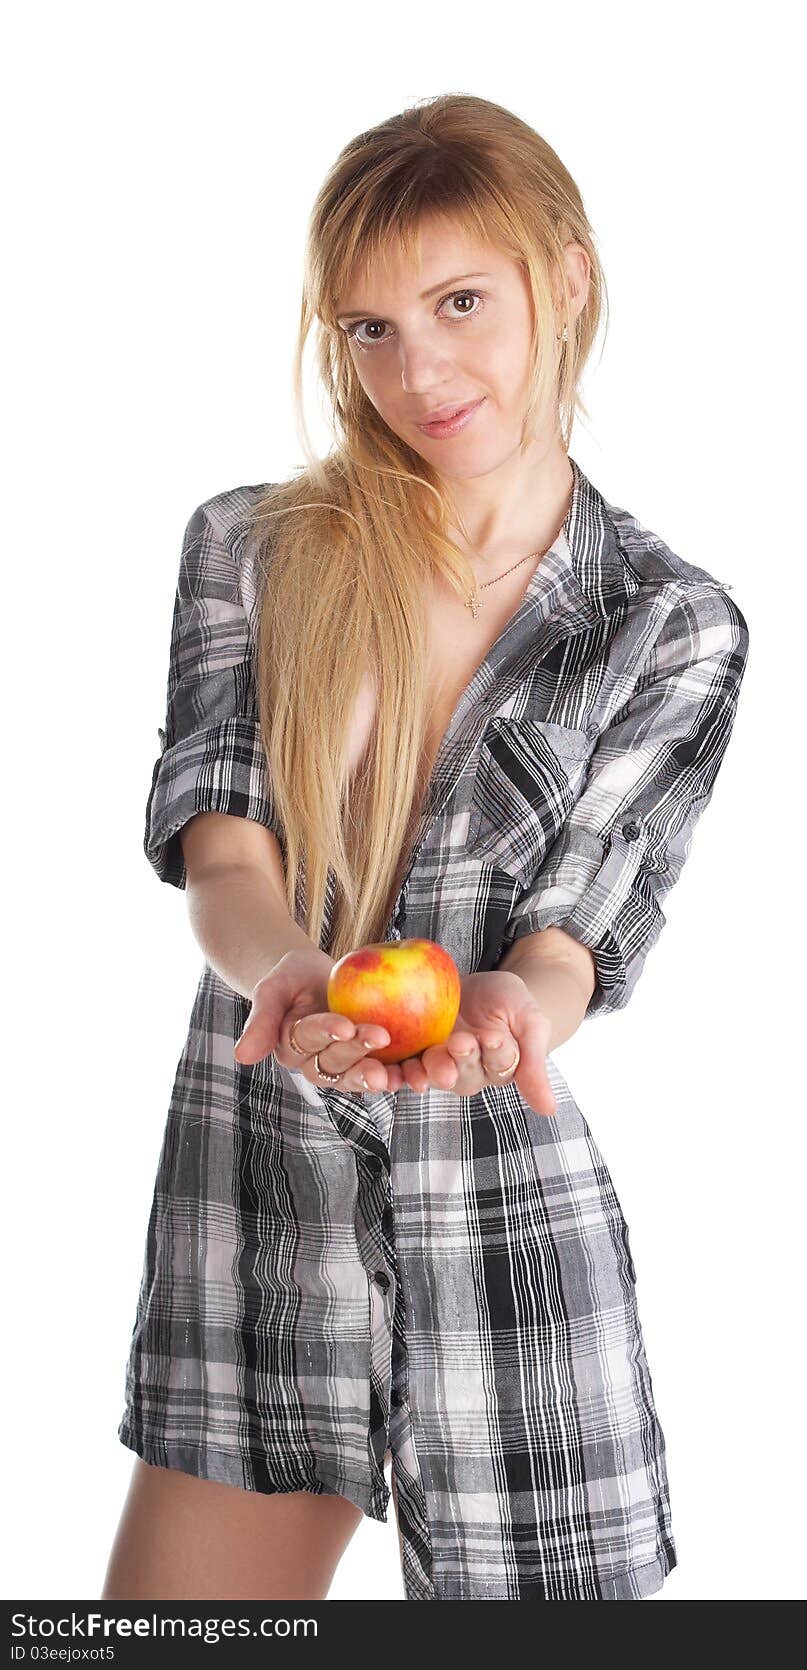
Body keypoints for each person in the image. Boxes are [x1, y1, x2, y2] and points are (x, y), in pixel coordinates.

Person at [102, 92, 750, 1602]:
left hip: (504, 1218)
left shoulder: (673, 623)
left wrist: (525, 1003)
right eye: (374, 328)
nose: (420, 368)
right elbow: (225, 858)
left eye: (462, 302)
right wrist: (293, 972)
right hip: (253, 1183)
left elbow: (577, 927)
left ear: (566, 279)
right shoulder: (253, 550)